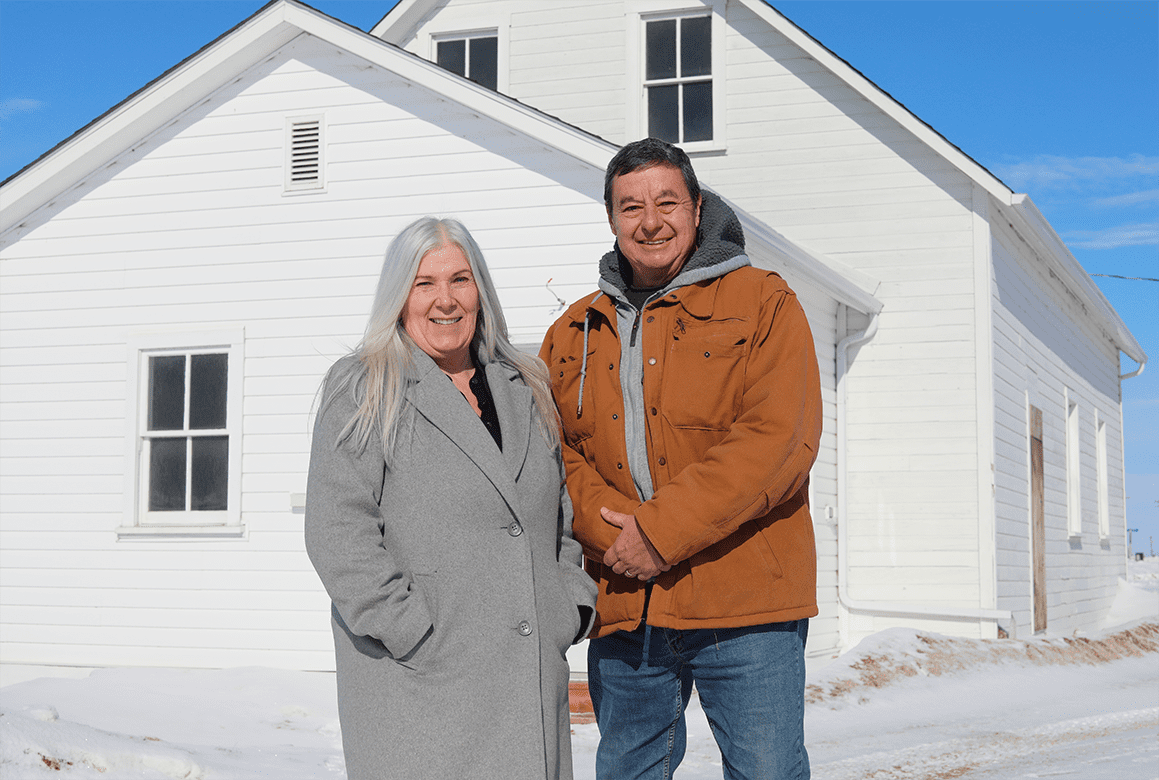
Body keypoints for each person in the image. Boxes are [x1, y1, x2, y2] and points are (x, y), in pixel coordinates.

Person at [540, 138, 822, 780]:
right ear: (611, 220)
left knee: (767, 772)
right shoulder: (575, 330)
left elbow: (779, 441)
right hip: (627, 598)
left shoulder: (763, 302)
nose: (650, 221)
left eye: (667, 202)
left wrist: (659, 533)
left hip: (745, 604)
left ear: (697, 209)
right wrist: (619, 537)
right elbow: (553, 456)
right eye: (630, 206)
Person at [306, 216, 597, 780]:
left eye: (460, 280)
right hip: (420, 682)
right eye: (425, 283)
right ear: (399, 296)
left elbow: (557, 519)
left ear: (480, 291)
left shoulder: (525, 383)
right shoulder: (363, 386)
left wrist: (568, 607)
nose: (446, 300)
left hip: (527, 678)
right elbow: (338, 533)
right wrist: (413, 631)